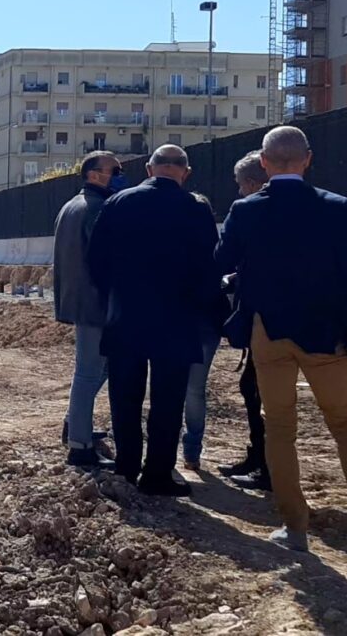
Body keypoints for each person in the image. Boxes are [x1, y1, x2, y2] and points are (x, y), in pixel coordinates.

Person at [215, 126, 347, 563]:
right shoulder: (335, 207)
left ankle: (294, 528)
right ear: (308, 159)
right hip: (324, 331)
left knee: (279, 429)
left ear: (263, 164)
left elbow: (222, 263)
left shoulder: (245, 211)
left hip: (269, 331)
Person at [87, 145, 220, 497]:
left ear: (149, 169)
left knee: (125, 397)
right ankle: (158, 473)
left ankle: (127, 468)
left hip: (126, 317)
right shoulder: (196, 209)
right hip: (176, 320)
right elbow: (211, 267)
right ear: (185, 172)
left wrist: (114, 297)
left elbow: (96, 261)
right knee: (168, 399)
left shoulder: (118, 204)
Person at [52, 151, 125, 468]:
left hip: (79, 299)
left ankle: (76, 422)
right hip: (96, 302)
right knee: (88, 372)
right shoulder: (98, 209)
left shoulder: (71, 206)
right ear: (94, 174)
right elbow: (104, 260)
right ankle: (79, 446)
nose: (120, 175)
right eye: (115, 170)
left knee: (98, 368)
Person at [218, 151, 271, 490]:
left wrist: (235, 279)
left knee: (258, 391)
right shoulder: (324, 205)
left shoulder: (249, 211)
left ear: (252, 183)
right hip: (308, 319)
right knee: (254, 389)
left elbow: (224, 256)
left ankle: (267, 466)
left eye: (240, 186)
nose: (239, 192)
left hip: (264, 319)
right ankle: (259, 457)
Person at [181, 192, 226, 473]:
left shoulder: (172, 249)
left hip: (176, 324)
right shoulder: (217, 250)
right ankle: (192, 451)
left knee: (168, 388)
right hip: (208, 325)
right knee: (195, 390)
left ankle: (164, 449)